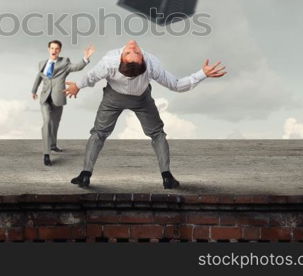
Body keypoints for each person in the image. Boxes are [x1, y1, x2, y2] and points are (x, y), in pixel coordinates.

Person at [64, 40, 226, 189]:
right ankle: (86, 174)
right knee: (151, 134)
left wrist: (77, 86)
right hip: (117, 99)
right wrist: (202, 74)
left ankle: (166, 176)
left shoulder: (115, 61)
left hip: (139, 100)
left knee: (105, 133)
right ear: (121, 59)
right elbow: (176, 85)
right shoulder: (137, 62)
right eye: (129, 52)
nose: (132, 47)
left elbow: (91, 76)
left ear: (142, 61)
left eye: (135, 52)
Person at [32, 40, 95, 166]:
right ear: (48, 49)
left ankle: (53, 145)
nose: (54, 50)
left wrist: (86, 59)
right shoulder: (42, 63)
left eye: (56, 48)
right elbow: (39, 77)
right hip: (45, 98)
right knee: (46, 122)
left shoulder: (64, 62)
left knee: (55, 124)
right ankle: (46, 154)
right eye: (52, 48)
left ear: (59, 50)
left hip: (58, 98)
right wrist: (34, 90)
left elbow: (76, 67)